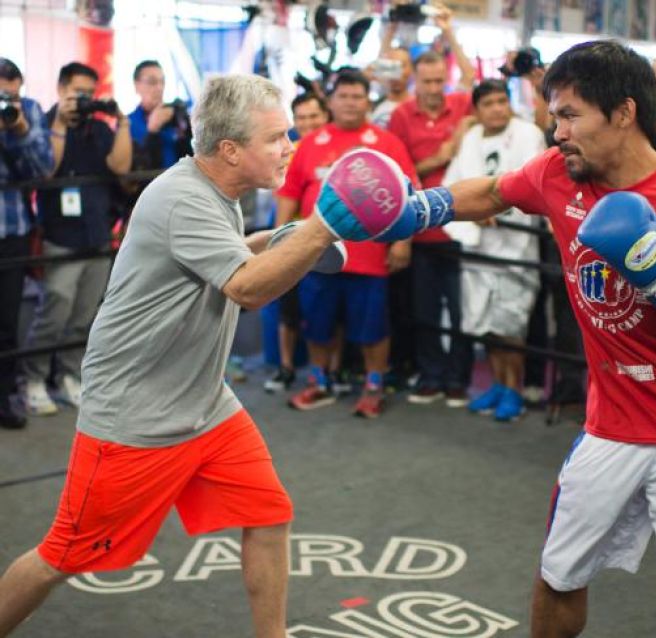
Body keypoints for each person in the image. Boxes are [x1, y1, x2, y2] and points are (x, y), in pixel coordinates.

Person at [372, 39, 656, 637]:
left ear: (624, 112)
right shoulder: (560, 173)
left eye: (570, 115)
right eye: (554, 116)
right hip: (611, 429)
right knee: (557, 575)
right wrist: (419, 208)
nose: (557, 132)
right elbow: (495, 190)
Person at [0, 72, 381, 637]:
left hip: (205, 404)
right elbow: (248, 288)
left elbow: (231, 255)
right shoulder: (183, 199)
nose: (290, 147)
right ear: (229, 150)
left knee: (269, 514)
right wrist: (321, 227)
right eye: (276, 137)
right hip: (135, 416)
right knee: (63, 555)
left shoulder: (215, 193)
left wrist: (289, 236)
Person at [278, 70, 418, 417]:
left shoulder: (386, 143)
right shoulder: (309, 143)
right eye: (344, 96)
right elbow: (289, 193)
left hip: (370, 257)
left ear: (367, 100)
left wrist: (403, 244)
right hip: (318, 254)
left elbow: (411, 197)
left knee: (373, 328)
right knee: (317, 323)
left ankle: (374, 386)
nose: (351, 102)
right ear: (330, 100)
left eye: (358, 96)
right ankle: (318, 381)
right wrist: (278, 241)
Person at [22, 62, 132, 416]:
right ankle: (34, 379)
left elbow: (121, 167)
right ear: (61, 89)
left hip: (97, 233)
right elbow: (46, 169)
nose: (84, 99)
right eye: (78, 92)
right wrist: (59, 124)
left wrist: (123, 123)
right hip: (60, 236)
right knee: (54, 311)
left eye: (89, 93)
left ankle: (71, 375)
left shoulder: (98, 128)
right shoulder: (43, 122)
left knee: (86, 314)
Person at [388, 5, 477, 407]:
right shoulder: (401, 115)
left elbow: (474, 80)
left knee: (461, 312)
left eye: (439, 80)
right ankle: (430, 375)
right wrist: (439, 158)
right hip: (420, 226)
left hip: (460, 224)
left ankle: (457, 378)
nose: (432, 87)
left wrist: (449, 32)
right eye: (426, 81)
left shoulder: (458, 105)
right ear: (414, 81)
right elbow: (401, 169)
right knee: (424, 310)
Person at [442, 79, 545, 421]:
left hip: (514, 248)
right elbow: (454, 186)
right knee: (485, 321)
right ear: (477, 110)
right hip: (479, 247)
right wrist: (474, 210)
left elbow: (532, 180)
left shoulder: (527, 133)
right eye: (489, 104)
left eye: (502, 101)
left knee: (510, 325)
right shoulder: (470, 139)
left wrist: (494, 206)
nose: (498, 108)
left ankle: (514, 388)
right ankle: (499, 385)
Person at [0, 57, 53, 430]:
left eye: (11, 92)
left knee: (6, 321)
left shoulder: (29, 111)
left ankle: (4, 398)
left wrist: (17, 129)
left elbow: (41, 170)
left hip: (14, 231)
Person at [265, 92, 330, 394]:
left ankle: (328, 372)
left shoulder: (336, 146)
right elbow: (283, 198)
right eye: (301, 118)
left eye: (313, 116)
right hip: (293, 236)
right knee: (288, 310)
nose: (308, 123)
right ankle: (286, 367)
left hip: (327, 242)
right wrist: (280, 244)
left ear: (325, 116)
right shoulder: (287, 150)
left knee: (326, 311)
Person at [128, 60, 192, 170]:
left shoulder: (176, 117)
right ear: (136, 86)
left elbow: (191, 157)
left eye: (162, 82)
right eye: (152, 82)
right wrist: (152, 131)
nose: (159, 88)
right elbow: (135, 168)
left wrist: (185, 128)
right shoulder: (127, 124)